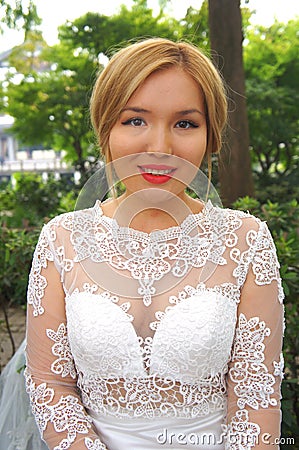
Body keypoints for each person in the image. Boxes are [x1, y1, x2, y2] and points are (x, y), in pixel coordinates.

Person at [23, 38, 284, 449]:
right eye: (134, 120)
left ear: (210, 136)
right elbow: (50, 383)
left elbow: (256, 396)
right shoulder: (62, 239)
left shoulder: (245, 240)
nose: (160, 148)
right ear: (105, 127)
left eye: (185, 124)